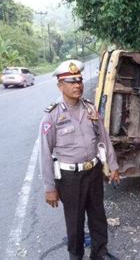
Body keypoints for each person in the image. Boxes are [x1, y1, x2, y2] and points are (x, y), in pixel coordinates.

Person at [39, 59, 120, 260]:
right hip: (69, 178)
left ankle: (99, 254)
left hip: (93, 172)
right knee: (74, 221)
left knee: (98, 217)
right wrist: (50, 188)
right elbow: (45, 153)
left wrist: (113, 166)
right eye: (71, 82)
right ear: (60, 86)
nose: (77, 85)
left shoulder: (90, 109)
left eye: (79, 81)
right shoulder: (52, 115)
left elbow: (104, 138)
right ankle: (76, 256)